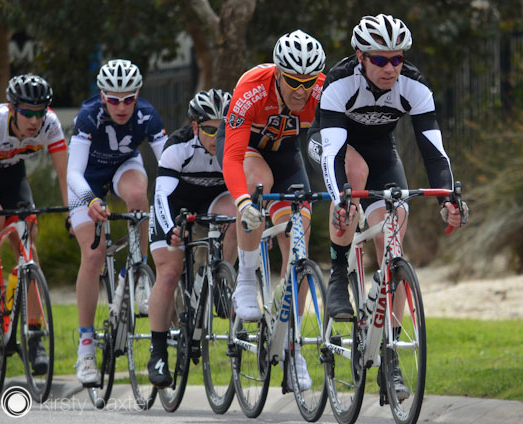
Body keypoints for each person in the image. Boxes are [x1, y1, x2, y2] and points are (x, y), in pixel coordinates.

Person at [307, 14, 467, 397]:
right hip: (332, 147)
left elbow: (434, 152)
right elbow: (332, 154)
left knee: (392, 238)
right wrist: (341, 198)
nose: (390, 68)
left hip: (382, 152)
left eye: (397, 59)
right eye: (380, 60)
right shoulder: (339, 82)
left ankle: (389, 356)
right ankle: (338, 274)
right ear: (360, 56)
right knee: (354, 175)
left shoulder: (414, 85)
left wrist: (448, 197)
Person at [218, 29, 326, 391]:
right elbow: (232, 157)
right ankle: (246, 280)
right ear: (278, 73)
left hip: (286, 157)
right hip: (245, 153)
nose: (301, 90)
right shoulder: (252, 88)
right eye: (293, 81)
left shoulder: (321, 90)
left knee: (298, 246)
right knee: (258, 183)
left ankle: (292, 347)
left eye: (308, 82)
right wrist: (242, 202)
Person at [67, 59, 168, 385]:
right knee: (93, 255)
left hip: (124, 166)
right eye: (114, 99)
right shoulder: (88, 115)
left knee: (138, 196)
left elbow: (168, 165)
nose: (122, 107)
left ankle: (136, 272)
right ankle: (85, 346)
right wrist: (90, 200)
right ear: (103, 97)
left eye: (129, 99)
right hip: (88, 179)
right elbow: (73, 172)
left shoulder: (147, 115)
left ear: (137, 95)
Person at [146, 88, 237, 387]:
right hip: (174, 206)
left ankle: (220, 279)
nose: (216, 137)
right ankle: (158, 351)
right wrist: (170, 228)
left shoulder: (235, 145)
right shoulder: (178, 147)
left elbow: (244, 191)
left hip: (213, 201)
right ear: (196, 127)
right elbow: (161, 196)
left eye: (223, 129)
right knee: (169, 273)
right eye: (210, 130)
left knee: (237, 215)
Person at [0, 74, 68, 375]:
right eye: (27, 112)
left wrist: (71, 213)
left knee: (28, 242)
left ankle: (35, 335)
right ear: (13, 109)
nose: (35, 120)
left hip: (14, 179)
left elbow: (64, 174)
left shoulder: (50, 124)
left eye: (40, 112)